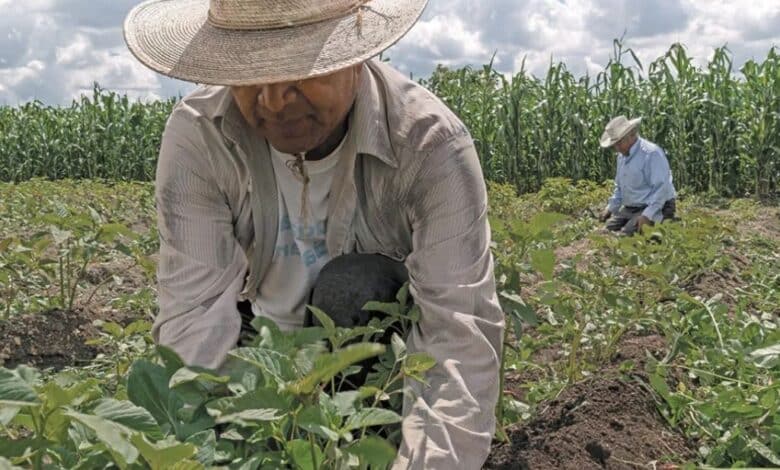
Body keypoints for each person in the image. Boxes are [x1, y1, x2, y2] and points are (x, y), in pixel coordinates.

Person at [123, 1, 504, 469]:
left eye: (300, 72)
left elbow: (456, 339)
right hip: (261, 350)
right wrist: (202, 451)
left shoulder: (429, 146)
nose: (274, 100)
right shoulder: (201, 137)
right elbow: (194, 318)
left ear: (354, 56)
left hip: (374, 360)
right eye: (251, 75)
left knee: (356, 285)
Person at [598, 115, 677, 235]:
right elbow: (620, 188)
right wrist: (610, 208)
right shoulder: (622, 156)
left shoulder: (651, 154)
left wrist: (647, 215)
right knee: (606, 230)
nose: (616, 148)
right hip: (631, 207)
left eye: (619, 143)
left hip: (658, 205)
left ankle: (667, 222)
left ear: (631, 135)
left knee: (626, 236)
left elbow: (661, 189)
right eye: (615, 145)